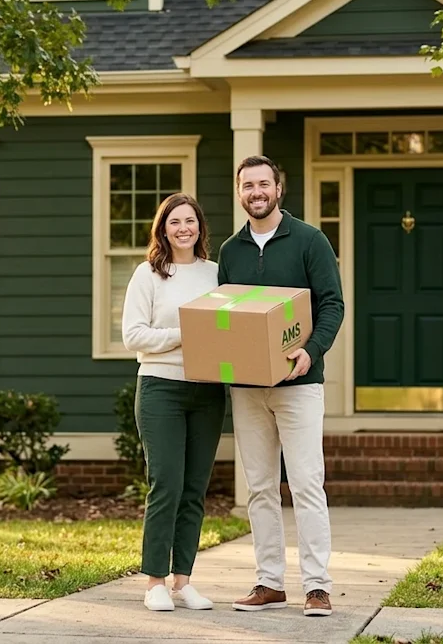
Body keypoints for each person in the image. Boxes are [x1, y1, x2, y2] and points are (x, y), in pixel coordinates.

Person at [217, 155, 344, 617]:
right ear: (239, 192)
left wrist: (311, 351)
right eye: (247, 185)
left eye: (263, 184)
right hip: (247, 387)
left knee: (307, 484)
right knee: (260, 487)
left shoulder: (310, 240)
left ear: (278, 188)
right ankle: (269, 582)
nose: (256, 192)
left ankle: (317, 586)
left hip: (299, 384)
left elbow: (332, 304)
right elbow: (225, 317)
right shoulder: (230, 251)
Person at [121, 192, 226, 612]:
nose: (184, 229)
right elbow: (133, 335)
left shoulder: (216, 274)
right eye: (175, 222)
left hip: (208, 390)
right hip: (160, 388)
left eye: (190, 221)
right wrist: (186, 334)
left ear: (200, 227)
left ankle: (183, 581)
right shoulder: (148, 274)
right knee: (166, 484)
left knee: (195, 488)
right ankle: (155, 582)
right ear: (162, 229)